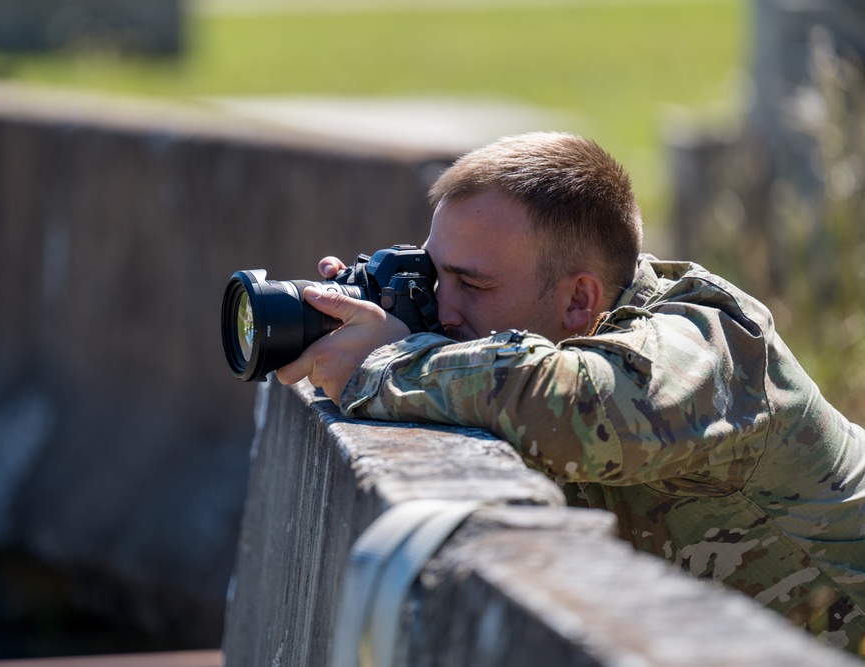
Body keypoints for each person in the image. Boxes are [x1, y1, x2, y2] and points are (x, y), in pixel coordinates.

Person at [275, 131, 865, 653]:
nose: (442, 306)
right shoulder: (507, 323)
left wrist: (381, 362)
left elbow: (574, 410)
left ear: (579, 301)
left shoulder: (708, 344)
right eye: (434, 274)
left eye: (471, 283)